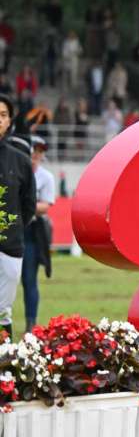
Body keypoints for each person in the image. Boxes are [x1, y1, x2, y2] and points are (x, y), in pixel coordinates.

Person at [0, 95, 36, 339]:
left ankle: (4, 365)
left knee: (3, 310)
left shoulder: (21, 161)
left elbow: (28, 205)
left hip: (10, 246)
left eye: (2, 115)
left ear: (9, 121)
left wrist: (11, 227)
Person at [19, 135, 54, 333]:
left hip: (31, 231)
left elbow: (46, 206)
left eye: (39, 153)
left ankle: (30, 323)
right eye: (33, 153)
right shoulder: (14, 171)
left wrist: (23, 205)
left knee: (29, 279)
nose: (35, 157)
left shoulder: (45, 177)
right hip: (11, 228)